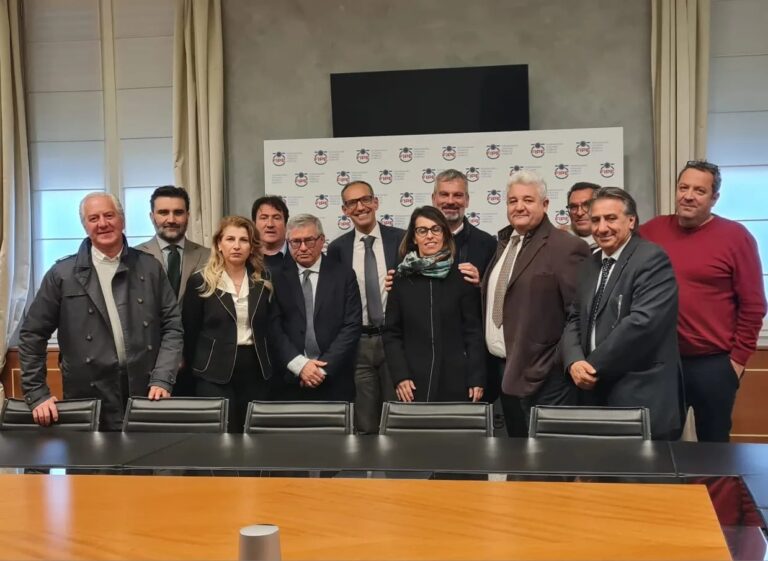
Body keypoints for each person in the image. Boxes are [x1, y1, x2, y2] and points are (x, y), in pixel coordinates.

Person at [19, 192, 182, 430]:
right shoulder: (62, 274)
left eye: (109, 215)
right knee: (90, 456)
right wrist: (37, 392)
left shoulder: (150, 267)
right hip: (87, 396)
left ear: (122, 220)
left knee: (150, 454)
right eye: (93, 218)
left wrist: (163, 378)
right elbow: (32, 334)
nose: (103, 223)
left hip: (147, 391)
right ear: (85, 226)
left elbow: (173, 327)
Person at [640, 160, 766, 442]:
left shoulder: (736, 237)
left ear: (714, 198)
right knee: (659, 445)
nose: (688, 196)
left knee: (714, 448)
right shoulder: (651, 231)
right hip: (662, 364)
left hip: (714, 364)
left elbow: (754, 305)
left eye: (699, 190)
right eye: (683, 187)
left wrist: (736, 362)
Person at [562, 187, 682, 440]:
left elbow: (642, 324)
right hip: (593, 394)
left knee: (643, 467)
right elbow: (575, 318)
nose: (602, 228)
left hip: (638, 394)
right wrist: (573, 362)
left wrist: (590, 366)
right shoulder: (590, 263)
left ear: (631, 221)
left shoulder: (651, 258)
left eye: (611, 218)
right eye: (596, 220)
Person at [481, 170, 589, 436]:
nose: (519, 206)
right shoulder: (505, 243)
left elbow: (578, 314)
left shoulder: (566, 246)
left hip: (546, 379)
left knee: (550, 456)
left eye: (528, 200)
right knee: (518, 454)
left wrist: (554, 363)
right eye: (513, 201)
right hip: (506, 373)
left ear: (545, 204)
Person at [182, 216, 275, 432]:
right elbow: (190, 330)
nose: (236, 246)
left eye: (244, 240)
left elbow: (269, 328)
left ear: (251, 247)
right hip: (213, 371)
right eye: (230, 239)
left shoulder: (263, 279)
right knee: (221, 435)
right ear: (219, 244)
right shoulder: (200, 281)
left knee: (253, 434)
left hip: (255, 369)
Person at [383, 206, 485, 402]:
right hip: (412, 383)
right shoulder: (400, 279)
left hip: (456, 380)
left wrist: (476, 377)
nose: (430, 236)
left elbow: (473, 333)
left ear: (445, 234)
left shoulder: (462, 278)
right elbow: (392, 334)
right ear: (414, 238)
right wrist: (400, 376)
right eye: (422, 230)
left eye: (436, 229)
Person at [327, 181, 405, 433]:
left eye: (365, 200)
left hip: (395, 340)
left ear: (375, 202)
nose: (360, 207)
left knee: (398, 418)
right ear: (344, 210)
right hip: (358, 343)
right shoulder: (337, 249)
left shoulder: (402, 239)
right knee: (365, 422)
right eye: (352, 203)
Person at [270, 214, 362, 401]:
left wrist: (320, 370)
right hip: (290, 378)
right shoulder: (275, 277)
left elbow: (351, 325)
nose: (303, 247)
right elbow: (273, 327)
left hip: (335, 377)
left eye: (309, 240)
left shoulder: (343, 275)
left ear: (321, 240)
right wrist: (301, 366)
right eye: (296, 242)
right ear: (288, 243)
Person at [135, 185, 209, 302]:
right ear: (152, 217)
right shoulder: (135, 257)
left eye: (178, 213)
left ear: (187, 216)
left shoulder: (208, 256)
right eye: (163, 213)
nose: (171, 220)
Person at [431, 169, 497, 285]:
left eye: (458, 195)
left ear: (467, 200)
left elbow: (497, 290)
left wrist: (481, 284)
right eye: (444, 194)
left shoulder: (488, 244)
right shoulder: (414, 241)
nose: (450, 201)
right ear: (433, 199)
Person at [252, 195, 292, 272]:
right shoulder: (244, 258)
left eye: (276, 218)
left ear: (285, 224)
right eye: (264, 218)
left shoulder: (298, 255)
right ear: (254, 224)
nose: (270, 224)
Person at [564, 181, 600, 249]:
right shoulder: (556, 243)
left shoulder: (617, 245)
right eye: (573, 207)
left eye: (587, 205)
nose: (579, 213)